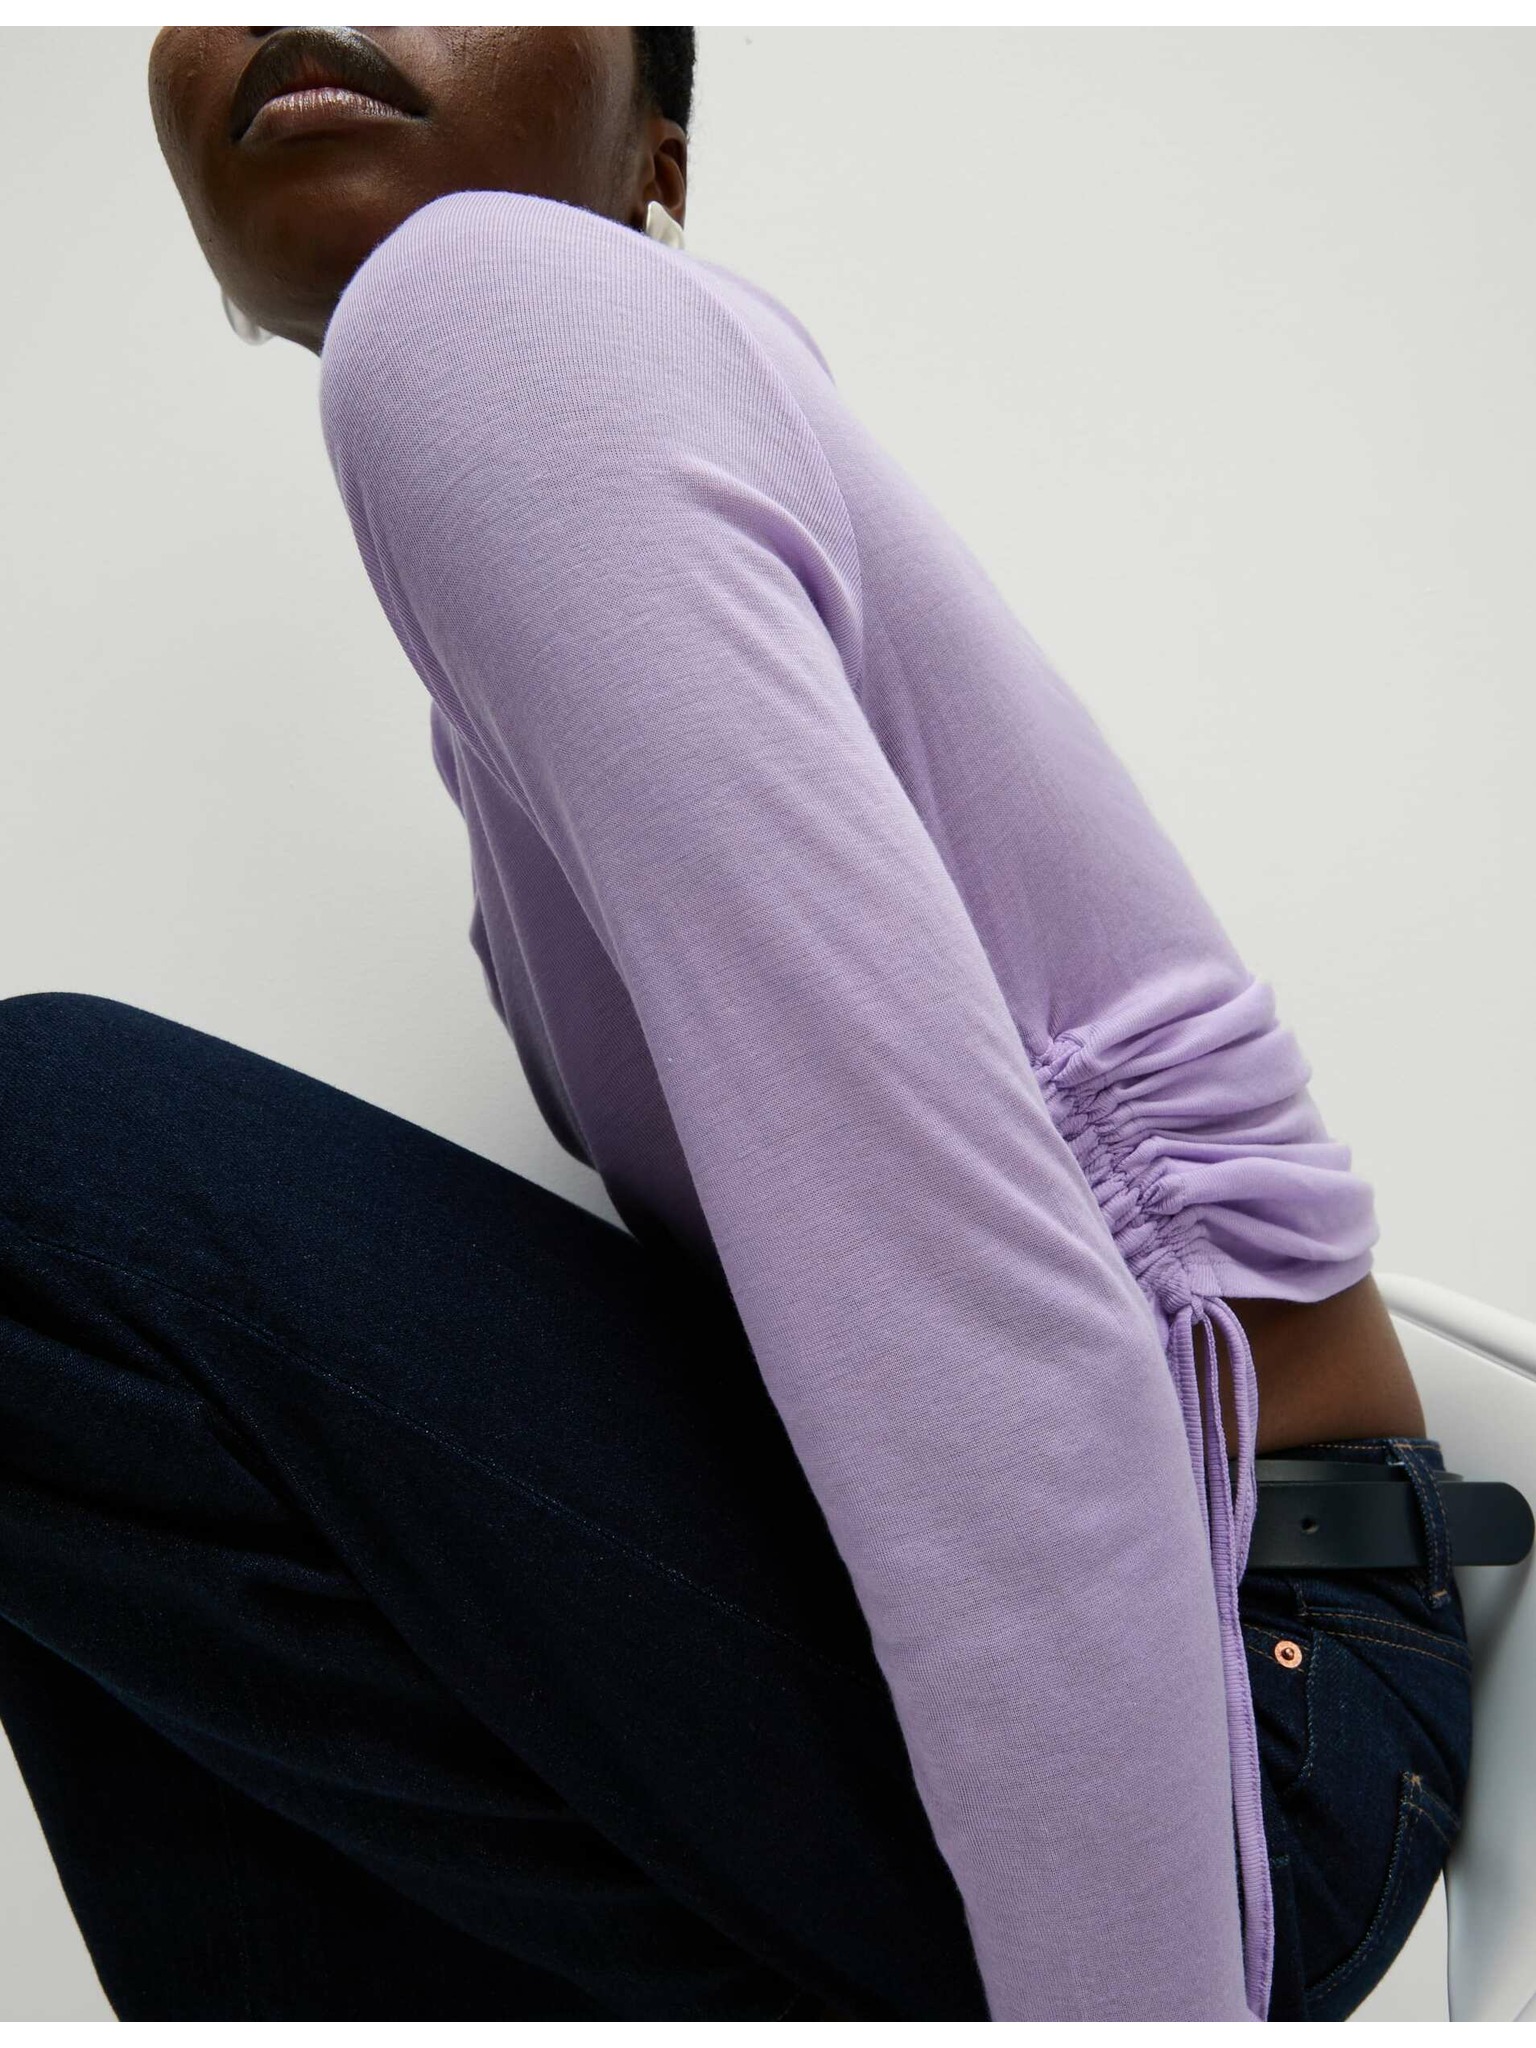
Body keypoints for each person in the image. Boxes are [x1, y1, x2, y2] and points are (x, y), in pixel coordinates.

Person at [0, 25, 1471, 2023]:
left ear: (656, 160)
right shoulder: (564, 453)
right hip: (1174, 1659)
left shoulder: (490, 319)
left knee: (42, 1159)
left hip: (1220, 1715)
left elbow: (954, 1292)